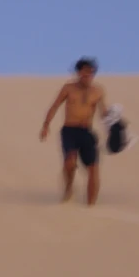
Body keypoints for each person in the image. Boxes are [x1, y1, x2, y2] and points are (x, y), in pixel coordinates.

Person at [39, 58, 108, 206]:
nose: (87, 75)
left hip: (87, 132)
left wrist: (114, 126)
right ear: (78, 73)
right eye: (84, 72)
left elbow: (103, 113)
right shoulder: (68, 88)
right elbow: (55, 105)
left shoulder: (98, 91)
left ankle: (91, 206)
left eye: (90, 72)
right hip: (69, 130)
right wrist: (46, 125)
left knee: (93, 169)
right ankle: (69, 187)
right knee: (69, 162)